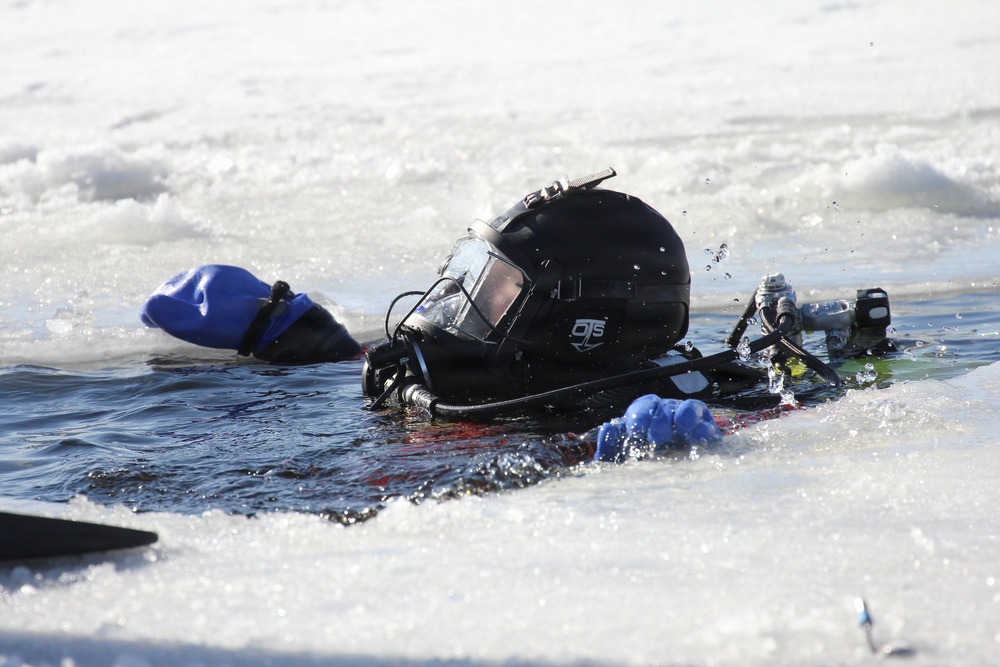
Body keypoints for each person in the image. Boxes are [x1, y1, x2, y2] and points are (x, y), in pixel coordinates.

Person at [141, 169, 894, 461]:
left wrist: (623, 449)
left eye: (493, 287)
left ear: (579, 320)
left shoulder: (615, 412)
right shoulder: (466, 373)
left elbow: (787, 419)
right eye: (468, 275)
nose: (459, 305)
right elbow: (380, 369)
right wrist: (299, 331)